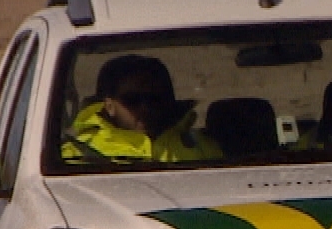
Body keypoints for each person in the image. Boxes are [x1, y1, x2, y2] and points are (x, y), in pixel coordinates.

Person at [63, 54, 221, 164]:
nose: (145, 107)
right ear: (109, 106)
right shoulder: (75, 155)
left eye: (155, 99)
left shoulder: (203, 148)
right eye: (132, 100)